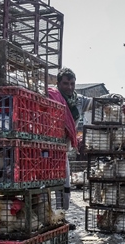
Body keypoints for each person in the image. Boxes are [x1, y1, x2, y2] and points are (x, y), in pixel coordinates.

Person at [48, 68, 92, 228]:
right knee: (41, 185)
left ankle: (61, 218)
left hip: (63, 149)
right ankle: (42, 217)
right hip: (45, 147)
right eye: (65, 83)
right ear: (58, 83)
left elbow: (95, 102)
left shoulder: (78, 101)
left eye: (72, 83)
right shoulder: (51, 96)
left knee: (64, 184)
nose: (69, 87)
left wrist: (113, 98)